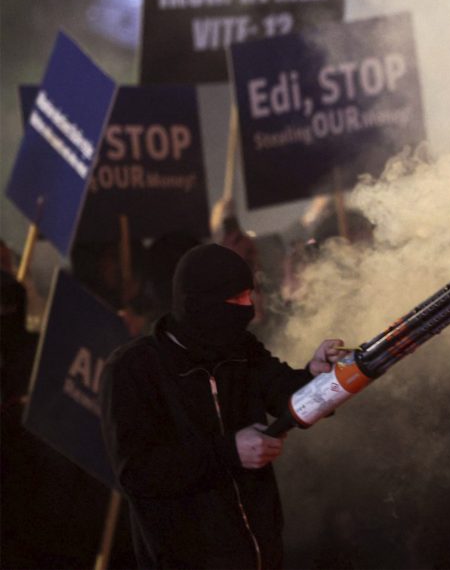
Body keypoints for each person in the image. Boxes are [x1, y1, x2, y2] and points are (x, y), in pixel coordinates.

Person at [100, 243, 345, 568]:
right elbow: (137, 472)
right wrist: (228, 451)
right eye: (236, 300)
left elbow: (285, 396)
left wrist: (318, 378)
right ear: (198, 304)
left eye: (249, 295)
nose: (249, 308)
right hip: (187, 558)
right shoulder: (133, 369)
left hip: (260, 552)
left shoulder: (241, 348)